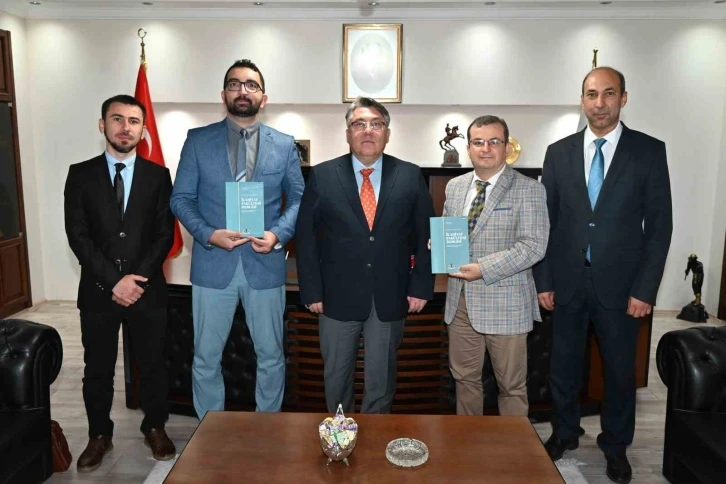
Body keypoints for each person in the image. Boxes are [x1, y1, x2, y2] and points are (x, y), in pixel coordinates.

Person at [533, 67, 673, 484]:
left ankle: (615, 446)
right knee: (563, 366)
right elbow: (546, 223)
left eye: (608, 94)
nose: (599, 103)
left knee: (618, 372)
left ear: (623, 98)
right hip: (567, 283)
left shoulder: (648, 151)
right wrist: (544, 280)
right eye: (592, 94)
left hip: (622, 287)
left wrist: (646, 289)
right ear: (582, 100)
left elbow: (659, 227)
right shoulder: (558, 152)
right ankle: (565, 432)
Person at [170, 59, 304, 418]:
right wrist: (208, 234)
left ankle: (267, 429)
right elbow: (180, 198)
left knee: (271, 356)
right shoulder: (198, 140)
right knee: (205, 358)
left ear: (263, 97)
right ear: (223, 94)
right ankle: (209, 432)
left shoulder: (284, 144)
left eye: (251, 85)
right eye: (234, 84)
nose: (242, 90)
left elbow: (299, 198)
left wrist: (277, 234)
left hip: (265, 265)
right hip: (213, 265)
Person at [295, 96, 434, 414]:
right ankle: (341, 437)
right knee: (336, 377)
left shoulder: (410, 175)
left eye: (376, 124)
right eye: (359, 124)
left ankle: (375, 437)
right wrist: (312, 291)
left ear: (387, 133)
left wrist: (420, 287)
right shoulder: (323, 175)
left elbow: (425, 236)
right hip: (335, 297)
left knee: (381, 382)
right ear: (348, 133)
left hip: (390, 296)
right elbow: (306, 238)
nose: (368, 131)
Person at [64, 94, 176, 472]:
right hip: (99, 291)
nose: (125, 127)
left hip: (147, 290)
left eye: (133, 121)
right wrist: (115, 282)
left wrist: (136, 280)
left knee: (153, 364)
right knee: (97, 369)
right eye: (117, 119)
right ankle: (99, 435)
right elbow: (78, 236)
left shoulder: (158, 176)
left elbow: (164, 235)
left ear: (143, 130)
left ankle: (155, 426)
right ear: (103, 125)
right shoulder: (80, 175)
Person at [443, 115, 548, 417]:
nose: (485, 148)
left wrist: (483, 268)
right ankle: (469, 443)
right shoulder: (455, 187)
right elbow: (452, 233)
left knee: (511, 387)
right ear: (468, 148)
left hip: (507, 305)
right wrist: (439, 245)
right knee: (464, 381)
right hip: (460, 304)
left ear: (506, 147)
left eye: (494, 141)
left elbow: (533, 246)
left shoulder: (529, 189)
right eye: (478, 142)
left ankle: (512, 447)